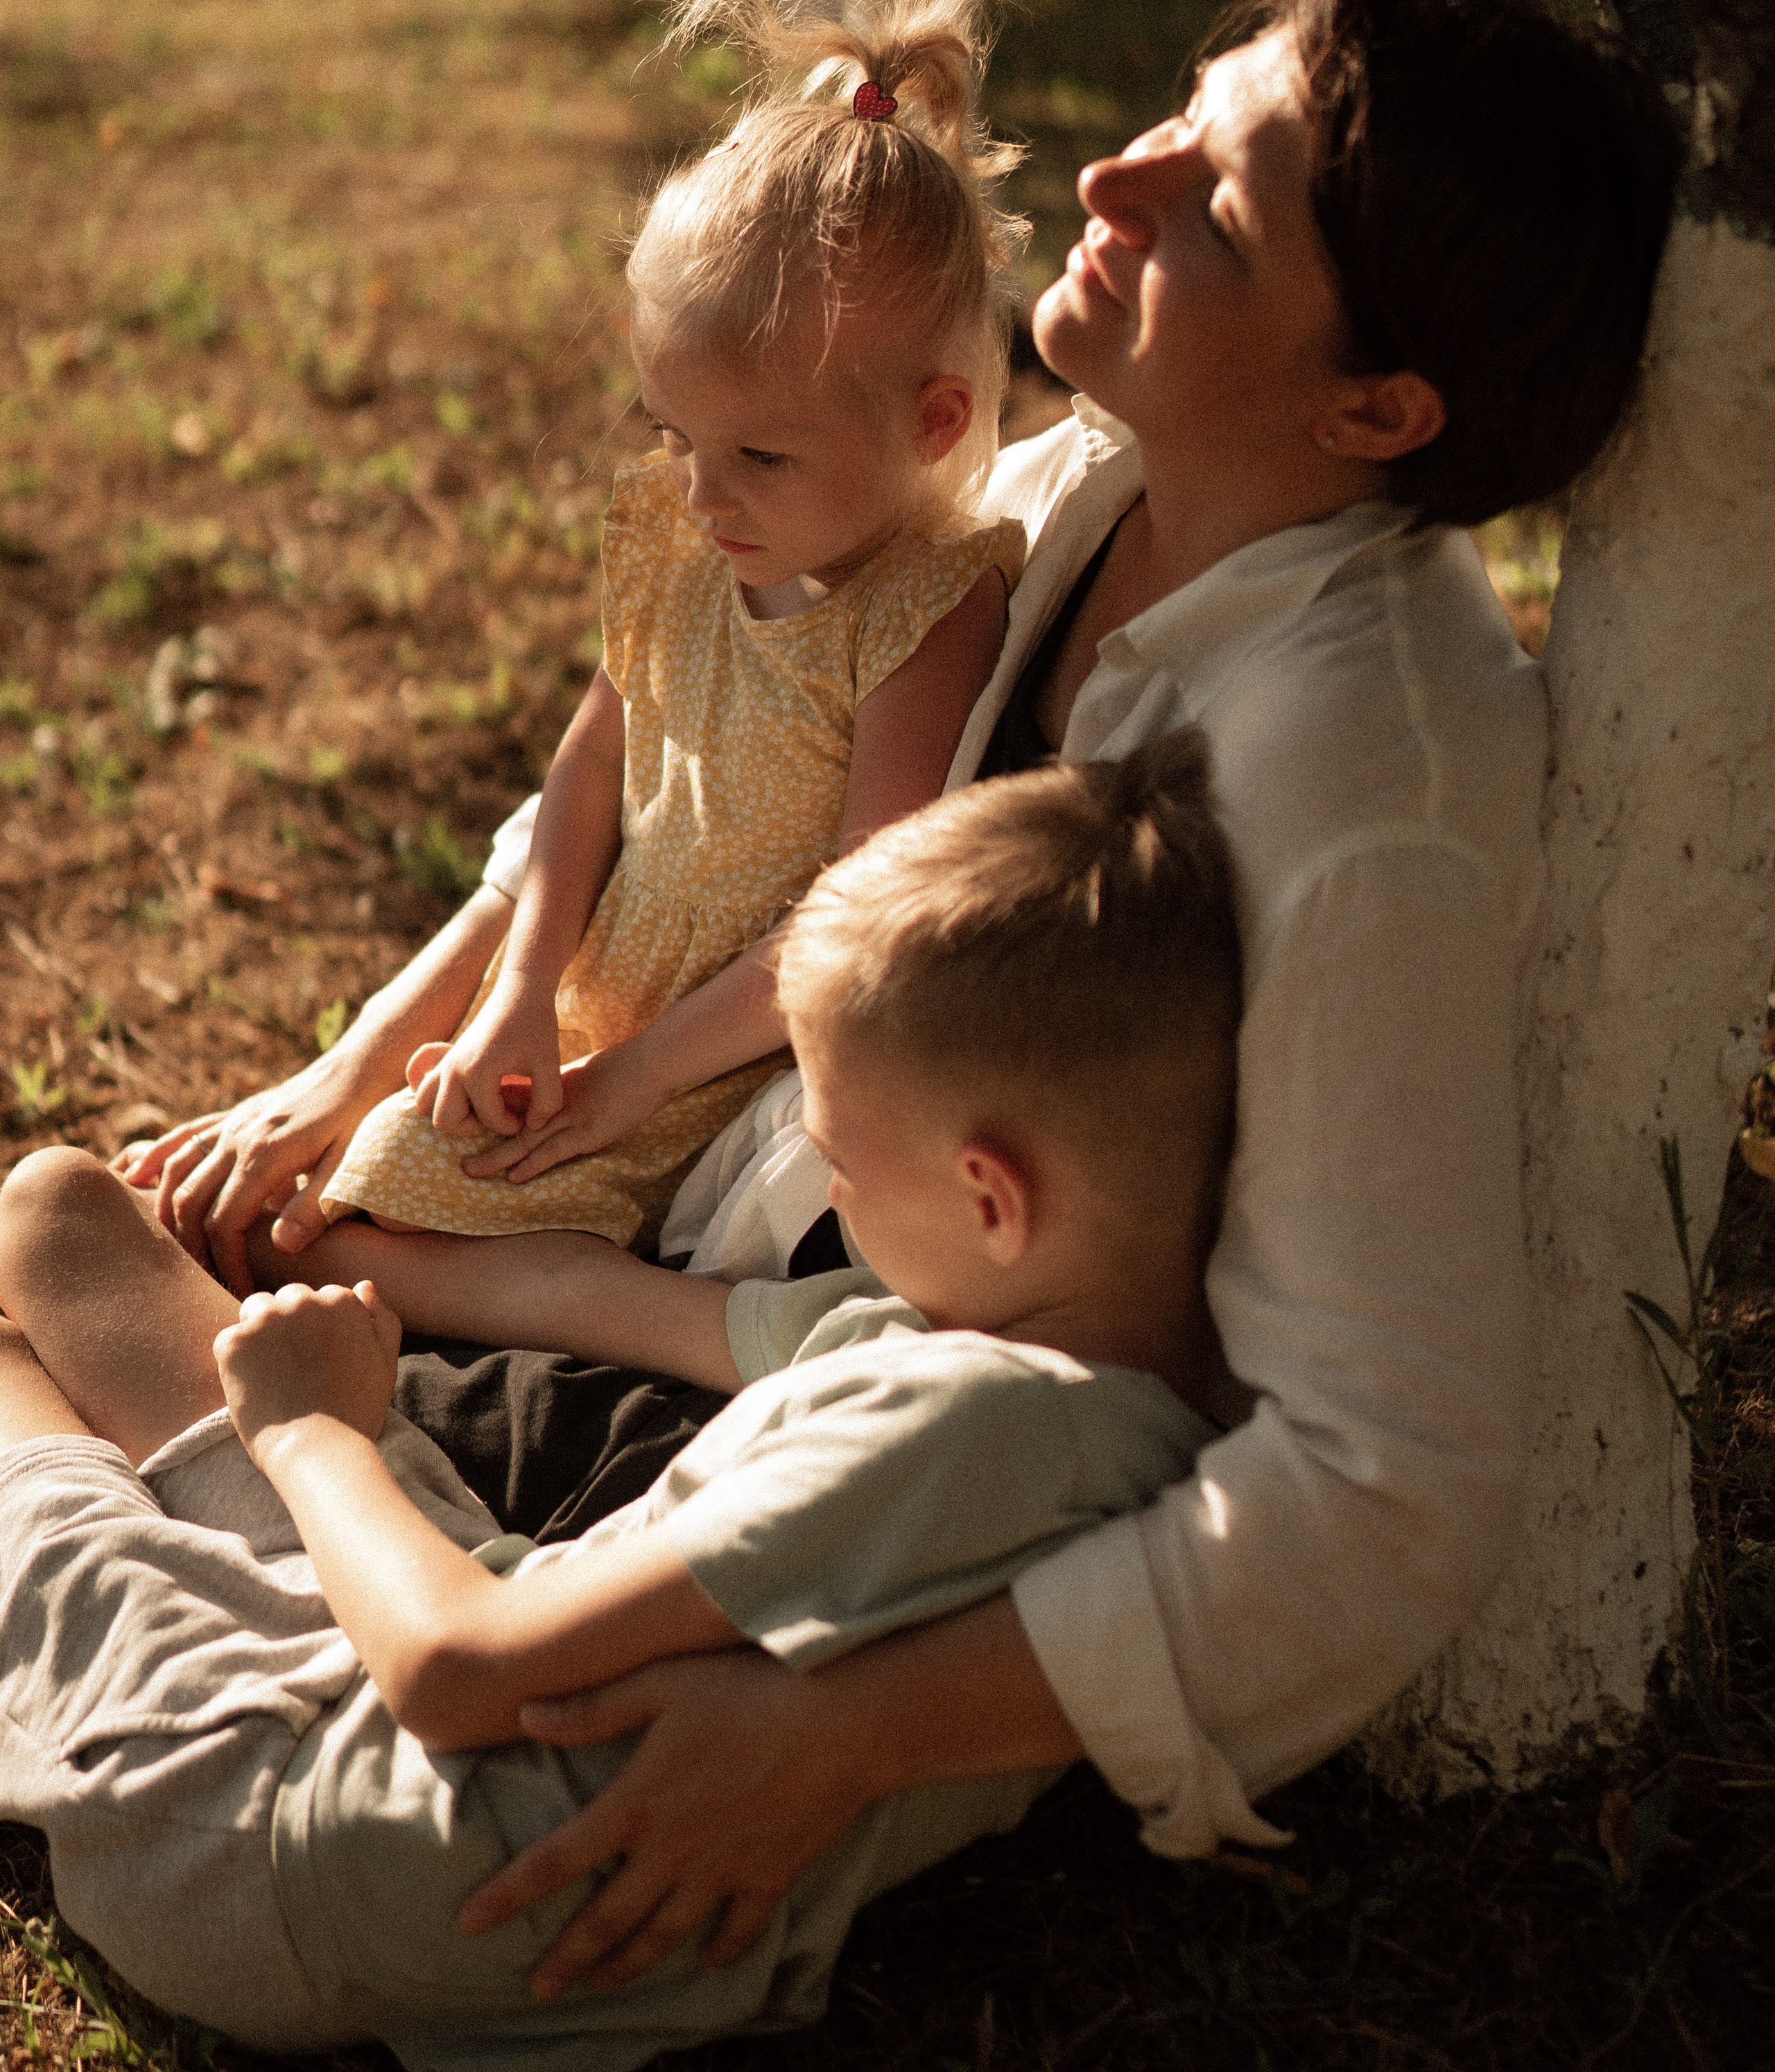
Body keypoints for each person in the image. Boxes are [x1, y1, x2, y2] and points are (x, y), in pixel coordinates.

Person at [126, 0, 1681, 1996]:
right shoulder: (1059, 493)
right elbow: (658, 781)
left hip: (804, 1415)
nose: (1112, 176)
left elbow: (1390, 1481)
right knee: (113, 1265)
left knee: (190, 1467)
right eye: (1174, 112)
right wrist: (347, 1073)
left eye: (1214, 207)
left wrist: (852, 1731)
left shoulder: (1360, 773)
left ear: (1379, 407)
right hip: (667, 1250)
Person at [0, 736, 1238, 2059]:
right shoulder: (1121, 1418)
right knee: (58, 1214)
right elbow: (587, 1315)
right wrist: (316, 1267)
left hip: (296, 1832)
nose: (832, 1196)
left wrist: (310, 1431)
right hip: (447, 1613)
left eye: (837, 1160)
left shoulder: (971, 1423)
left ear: (989, 1197)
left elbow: (457, 1674)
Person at [309, 0, 1025, 1250]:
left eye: (760, 456)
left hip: (712, 1062)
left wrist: (631, 1080)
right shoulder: (688, 542)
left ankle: (637, 1309)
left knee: (363, 1234)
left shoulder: (923, 610)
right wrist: (522, 988)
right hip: (587, 1002)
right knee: (330, 1210)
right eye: (673, 434)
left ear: (935, 422)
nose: (700, 493)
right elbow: (592, 765)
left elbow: (848, 912)